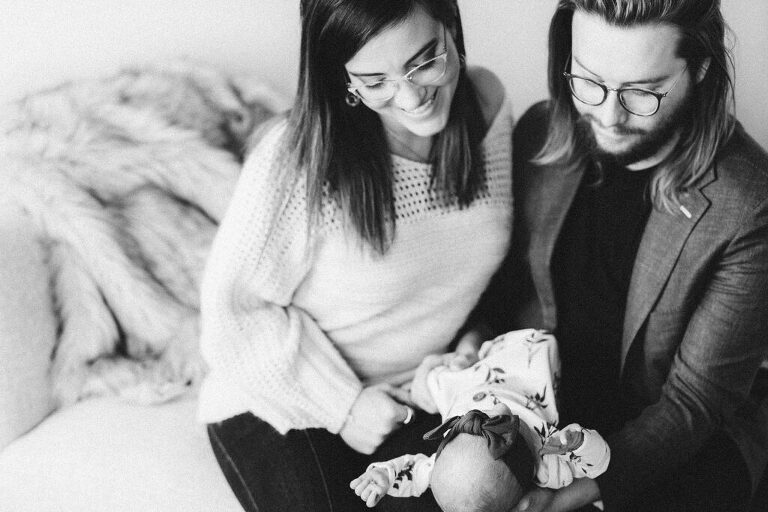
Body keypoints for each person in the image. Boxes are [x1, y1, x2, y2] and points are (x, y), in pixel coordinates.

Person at [197, 0, 512, 510]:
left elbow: (478, 272)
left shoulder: (487, 105)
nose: (411, 96)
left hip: (416, 395)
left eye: (425, 61)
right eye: (375, 80)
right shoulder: (297, 158)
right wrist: (343, 405)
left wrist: (470, 344)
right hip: (281, 395)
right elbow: (232, 315)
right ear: (344, 79)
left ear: (451, 26)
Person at [482, 1, 768, 511]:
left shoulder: (747, 204)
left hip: (677, 438)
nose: (608, 117)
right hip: (548, 407)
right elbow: (506, 296)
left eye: (642, 92)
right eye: (589, 81)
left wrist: (580, 492)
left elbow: (693, 403)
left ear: (700, 68)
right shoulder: (540, 131)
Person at [349, 329, 610, 511]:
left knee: (432, 384)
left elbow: (415, 471)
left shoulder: (447, 462)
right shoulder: (549, 465)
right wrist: (580, 443)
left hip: (466, 383)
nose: (491, 412)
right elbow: (599, 464)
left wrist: (386, 475)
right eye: (499, 428)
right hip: (528, 368)